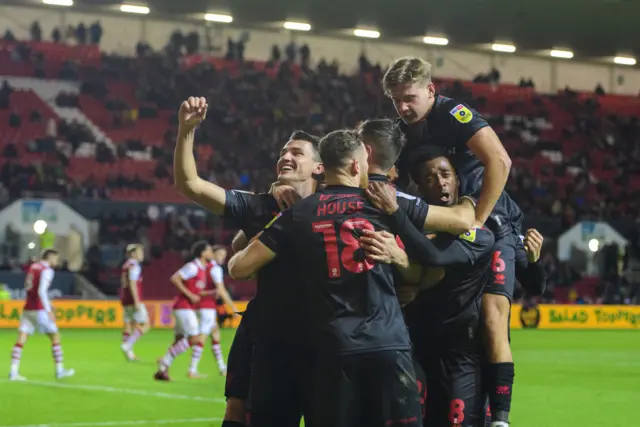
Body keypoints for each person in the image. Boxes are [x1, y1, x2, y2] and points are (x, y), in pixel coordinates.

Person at [228, 130, 425, 427]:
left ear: (325, 166)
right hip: (388, 345)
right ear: (358, 167)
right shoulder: (384, 206)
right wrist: (399, 257)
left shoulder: (299, 214)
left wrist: (269, 223)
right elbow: (420, 270)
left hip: (332, 351)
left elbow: (238, 268)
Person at [383, 57, 537, 426]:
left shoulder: (452, 113)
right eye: (395, 101)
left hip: (492, 219)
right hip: (451, 219)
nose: (403, 107)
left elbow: (500, 160)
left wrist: (479, 221)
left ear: (431, 91)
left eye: (409, 98)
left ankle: (500, 418)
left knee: (491, 318)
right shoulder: (404, 130)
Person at [173, 96, 323, 427]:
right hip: (267, 333)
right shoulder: (260, 206)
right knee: (242, 413)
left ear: (319, 167)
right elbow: (191, 185)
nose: (285, 156)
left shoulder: (333, 206)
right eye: (283, 152)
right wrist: (186, 130)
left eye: (296, 152)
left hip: (321, 337)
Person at [362, 146, 494, 426]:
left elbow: (435, 257)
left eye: (445, 174)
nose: (440, 181)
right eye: (430, 177)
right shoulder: (407, 226)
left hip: (460, 356)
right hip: (416, 348)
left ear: (458, 180)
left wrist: (404, 260)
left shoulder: (476, 229)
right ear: (420, 187)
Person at [9, 249, 75, 380]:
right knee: (55, 336)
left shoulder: (34, 266)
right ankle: (59, 370)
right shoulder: (47, 270)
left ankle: (13, 372)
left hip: (28, 308)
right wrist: (48, 309)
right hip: (40, 310)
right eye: (55, 258)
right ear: (49, 258)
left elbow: (30, 287)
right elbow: (41, 291)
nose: (56, 261)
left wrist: (48, 303)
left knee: (21, 339)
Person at [154, 241, 212, 381]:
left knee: (178, 340)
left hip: (186, 307)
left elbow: (195, 290)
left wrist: (209, 293)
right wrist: (190, 295)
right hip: (183, 306)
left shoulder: (202, 269)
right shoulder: (193, 266)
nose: (211, 253)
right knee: (195, 338)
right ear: (203, 253)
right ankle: (165, 361)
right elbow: (175, 278)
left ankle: (162, 372)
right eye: (209, 250)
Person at [198, 245, 238, 376]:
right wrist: (232, 307)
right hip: (206, 306)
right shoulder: (215, 268)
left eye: (224, 256)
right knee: (200, 337)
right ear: (213, 254)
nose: (223, 258)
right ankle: (190, 368)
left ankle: (221, 367)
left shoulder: (207, 267)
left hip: (205, 305)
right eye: (220, 254)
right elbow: (221, 290)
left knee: (215, 334)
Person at [120, 244, 148, 362]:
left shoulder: (126, 265)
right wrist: (136, 301)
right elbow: (132, 283)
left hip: (125, 299)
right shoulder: (134, 266)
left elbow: (123, 282)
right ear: (133, 254)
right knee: (146, 324)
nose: (142, 255)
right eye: (140, 252)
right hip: (133, 299)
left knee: (129, 325)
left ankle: (129, 355)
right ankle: (128, 345)